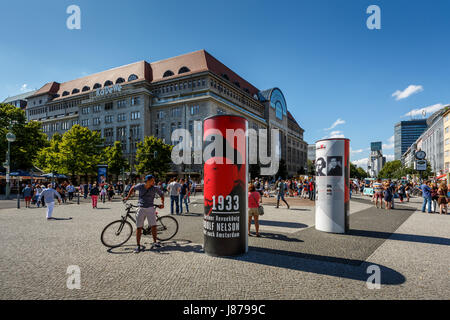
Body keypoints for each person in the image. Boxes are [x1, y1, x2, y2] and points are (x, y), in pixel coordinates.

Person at [123, 175, 165, 253]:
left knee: (153, 226)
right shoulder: (140, 186)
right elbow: (132, 188)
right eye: (152, 180)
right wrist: (127, 197)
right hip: (141, 208)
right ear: (148, 181)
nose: (154, 182)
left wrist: (162, 203)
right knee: (139, 227)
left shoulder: (155, 188)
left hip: (150, 208)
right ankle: (138, 245)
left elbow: (162, 194)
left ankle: (155, 242)